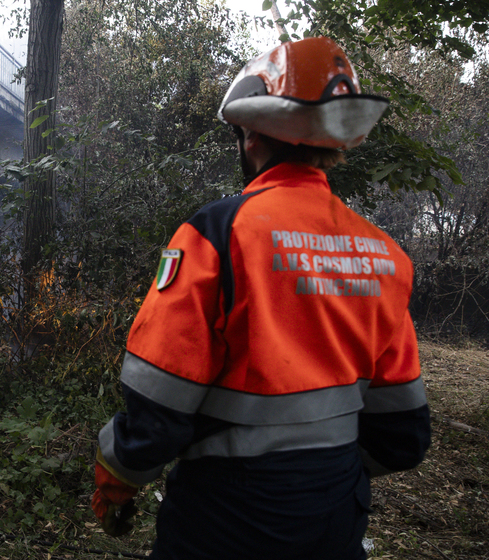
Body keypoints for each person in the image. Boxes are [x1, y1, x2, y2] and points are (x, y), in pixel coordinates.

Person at [91, 37, 431, 559]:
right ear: (332, 145)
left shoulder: (218, 233)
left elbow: (158, 399)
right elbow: (403, 434)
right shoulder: (383, 255)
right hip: (334, 518)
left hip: (224, 519)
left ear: (252, 138)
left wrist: (118, 476)